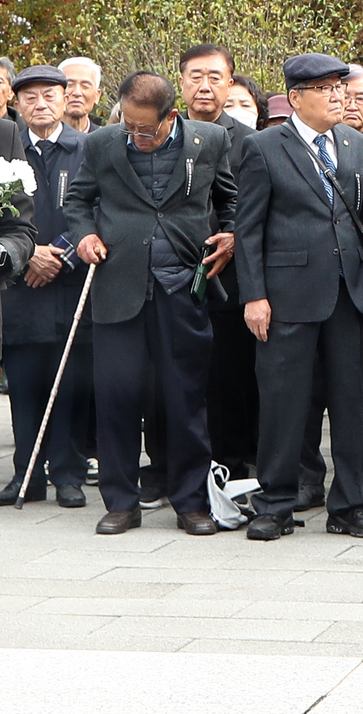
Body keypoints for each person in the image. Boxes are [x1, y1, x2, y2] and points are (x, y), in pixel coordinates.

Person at [64, 71, 235, 535]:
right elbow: (77, 202)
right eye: (129, 126)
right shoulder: (101, 143)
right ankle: (121, 502)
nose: (136, 137)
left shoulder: (211, 139)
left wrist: (231, 234)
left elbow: (231, 198)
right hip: (118, 287)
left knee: (185, 399)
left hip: (183, 286)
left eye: (147, 129)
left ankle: (191, 502)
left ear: (171, 116)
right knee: (116, 397)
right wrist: (85, 236)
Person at [235, 53, 363, 541]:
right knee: (283, 401)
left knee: (351, 401)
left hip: (348, 292)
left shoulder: (354, 141)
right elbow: (249, 227)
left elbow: (361, 222)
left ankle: (350, 502)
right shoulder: (264, 147)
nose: (336, 97)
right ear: (295, 98)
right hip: (287, 294)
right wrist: (254, 295)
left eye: (340, 88)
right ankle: (275, 502)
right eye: (324, 89)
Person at [297, 64, 363, 512]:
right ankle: (306, 476)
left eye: (359, 97)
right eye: (340, 93)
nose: (348, 103)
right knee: (308, 387)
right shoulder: (295, 146)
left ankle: (362, 475)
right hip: (306, 285)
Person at [176, 45, 260, 485]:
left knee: (229, 378)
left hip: (230, 278)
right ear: (181, 81)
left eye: (215, 76)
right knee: (175, 377)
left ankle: (232, 462)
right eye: (195, 76)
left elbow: (264, 208)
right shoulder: (164, 134)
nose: (205, 85)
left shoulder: (251, 142)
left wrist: (235, 236)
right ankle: (174, 468)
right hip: (172, 276)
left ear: (230, 84)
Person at [0, 68, 67, 506]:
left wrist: (27, 251)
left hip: (53, 283)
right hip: (21, 298)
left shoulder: (5, 137)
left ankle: (67, 472)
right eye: (31, 96)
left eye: (49, 95)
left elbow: (17, 221)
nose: (39, 104)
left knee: (66, 386)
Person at [57, 57, 102, 134]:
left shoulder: (105, 140)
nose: (77, 93)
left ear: (97, 96)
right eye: (69, 85)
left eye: (85, 86)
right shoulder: (42, 138)